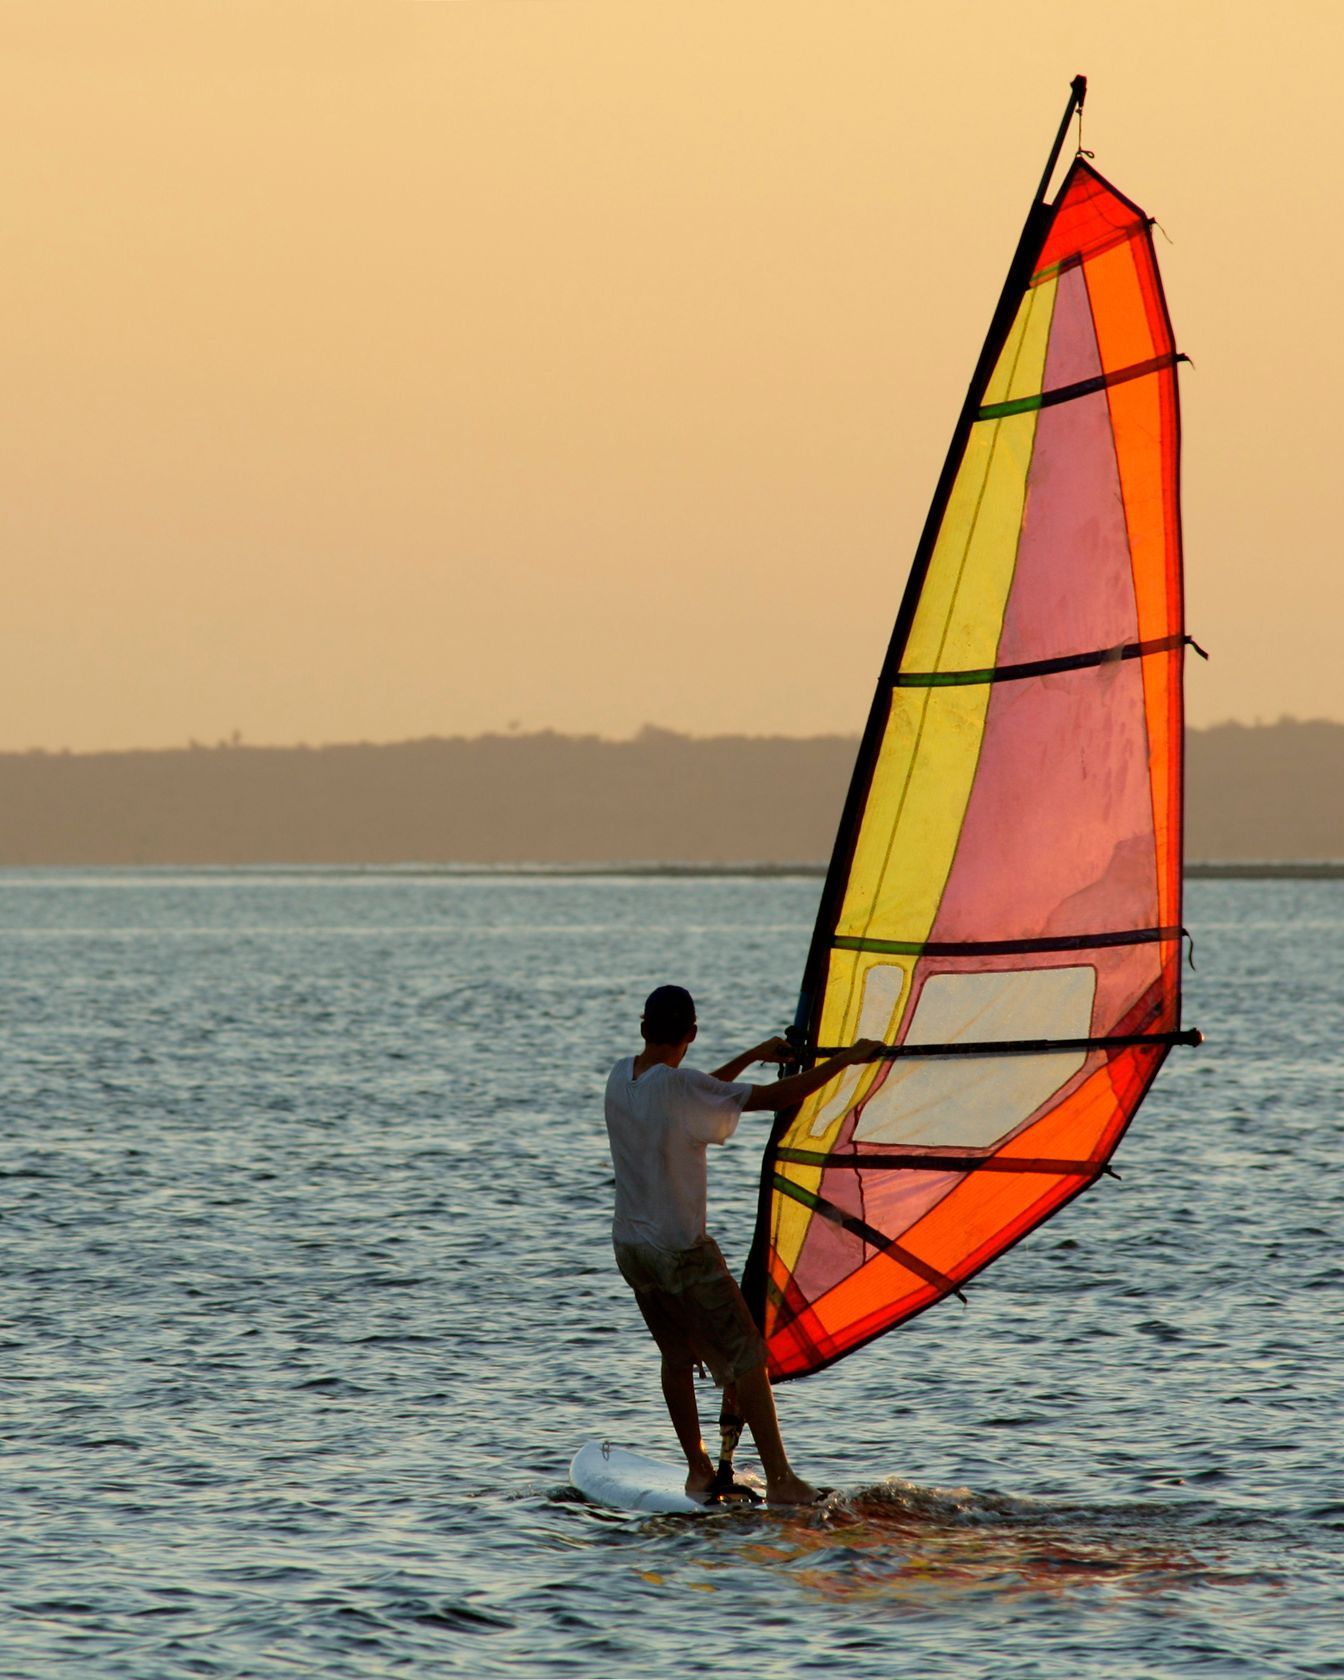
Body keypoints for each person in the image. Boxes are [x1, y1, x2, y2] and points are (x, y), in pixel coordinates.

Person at [604, 983, 880, 1505]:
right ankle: (781, 1479)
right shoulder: (680, 1088)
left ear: (643, 1029)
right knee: (748, 1356)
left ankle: (698, 1470)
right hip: (681, 1252)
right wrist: (847, 1060)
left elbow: (699, 1090)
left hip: (631, 1248)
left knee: (676, 1355)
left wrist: (754, 1055)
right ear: (691, 1033)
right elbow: (774, 1099)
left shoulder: (621, 1076)